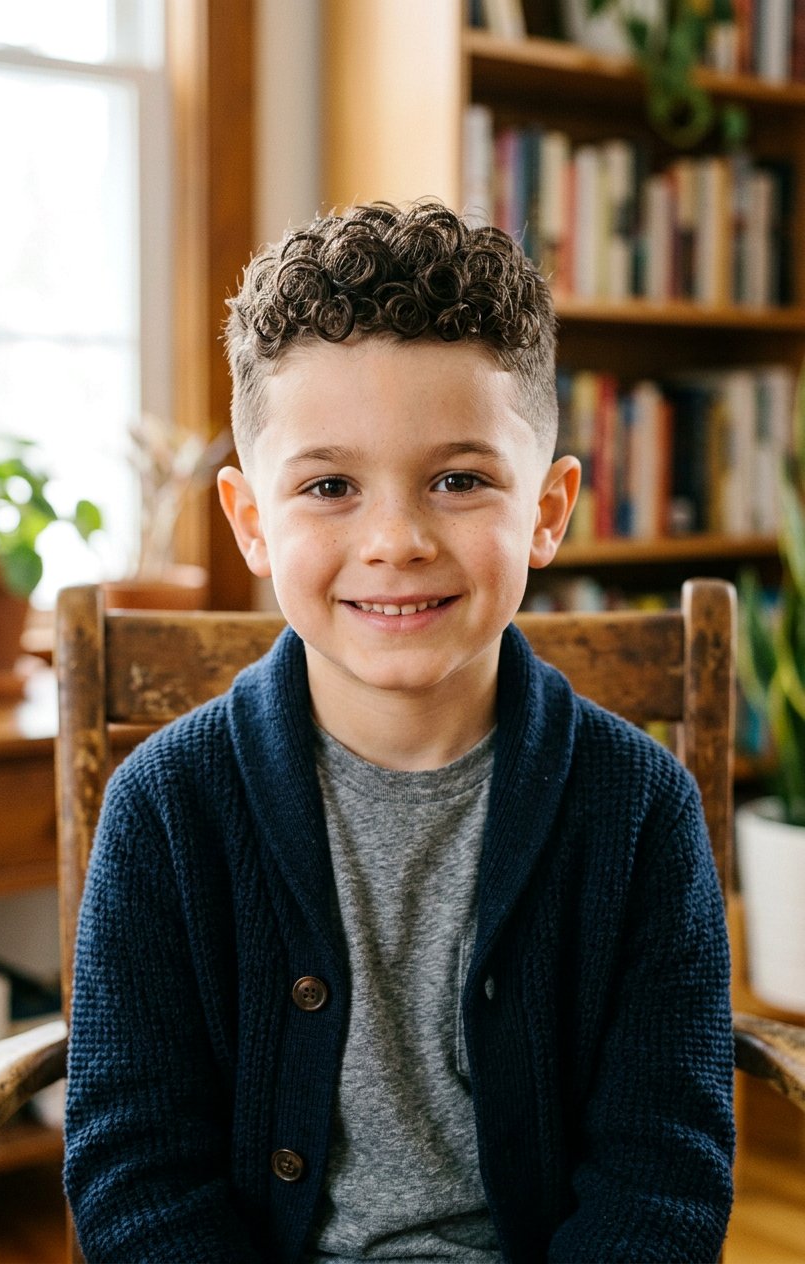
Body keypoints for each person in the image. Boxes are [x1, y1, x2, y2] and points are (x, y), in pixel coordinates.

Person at [64, 201, 734, 1263]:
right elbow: (136, 1176)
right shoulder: (165, 806)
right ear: (250, 521)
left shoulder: (639, 808)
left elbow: (663, 1171)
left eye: (458, 480)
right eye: (329, 486)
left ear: (548, 508)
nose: (395, 541)